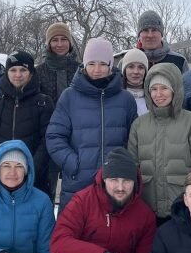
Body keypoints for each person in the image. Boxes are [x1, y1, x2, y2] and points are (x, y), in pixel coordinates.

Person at [46, 37, 138, 211]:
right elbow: (54, 136)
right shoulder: (69, 97)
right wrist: (74, 163)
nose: (97, 70)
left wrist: (124, 167)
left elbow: (134, 140)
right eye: (92, 63)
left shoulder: (125, 99)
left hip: (115, 184)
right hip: (78, 183)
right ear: (84, 64)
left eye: (103, 64)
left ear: (111, 65)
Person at [128, 63, 191, 222]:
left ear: (175, 89)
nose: (158, 94)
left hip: (183, 208)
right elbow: (132, 165)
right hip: (147, 209)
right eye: (154, 89)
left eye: (164, 88)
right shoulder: (139, 125)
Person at [0, 51, 54, 196]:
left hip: (34, 180)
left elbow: (48, 140)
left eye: (23, 70)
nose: (18, 75)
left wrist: (32, 170)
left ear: (31, 73)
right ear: (6, 73)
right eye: (13, 70)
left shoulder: (43, 102)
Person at [37, 22, 80, 198]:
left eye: (64, 39)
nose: (60, 44)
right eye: (55, 40)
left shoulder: (81, 69)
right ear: (48, 44)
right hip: (47, 136)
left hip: (77, 135)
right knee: (46, 188)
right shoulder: (38, 72)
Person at [120, 48, 149, 116]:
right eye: (131, 67)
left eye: (141, 67)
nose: (136, 72)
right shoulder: (115, 95)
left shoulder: (153, 96)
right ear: (124, 70)